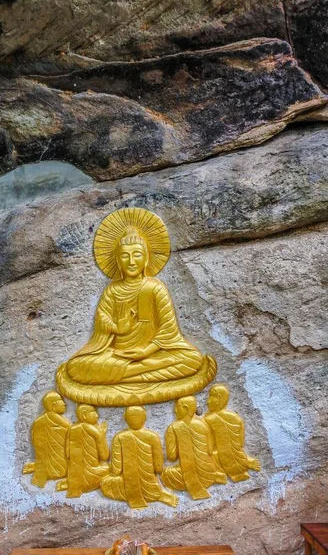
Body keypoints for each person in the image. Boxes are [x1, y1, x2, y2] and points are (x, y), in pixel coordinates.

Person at [57, 208, 216, 406]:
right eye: (125, 256)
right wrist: (116, 328)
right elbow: (102, 320)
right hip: (117, 354)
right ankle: (136, 373)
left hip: (151, 354)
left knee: (191, 360)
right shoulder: (112, 290)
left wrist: (146, 351)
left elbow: (168, 330)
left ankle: (125, 375)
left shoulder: (155, 288)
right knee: (77, 367)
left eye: (137, 255)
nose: (131, 262)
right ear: (117, 260)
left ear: (147, 257)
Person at [101, 406, 178, 508]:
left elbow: (116, 470)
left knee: (105, 484)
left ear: (125, 419)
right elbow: (159, 468)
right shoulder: (153, 437)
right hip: (151, 487)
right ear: (145, 418)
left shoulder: (120, 437)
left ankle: (146, 494)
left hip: (127, 486)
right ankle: (159, 495)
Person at [162, 396, 227, 499]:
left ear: (186, 409)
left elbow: (172, 457)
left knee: (167, 474)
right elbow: (210, 450)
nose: (175, 410)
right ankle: (214, 476)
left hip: (188, 475)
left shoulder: (173, 428)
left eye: (178, 407)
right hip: (209, 471)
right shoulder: (203, 425)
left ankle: (202, 479)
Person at [204, 385, 261, 482]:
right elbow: (241, 443)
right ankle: (244, 462)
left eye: (211, 397)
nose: (207, 401)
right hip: (239, 458)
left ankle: (222, 473)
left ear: (218, 399)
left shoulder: (209, 419)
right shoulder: (236, 418)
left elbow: (209, 448)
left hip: (220, 460)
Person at [22, 391, 70, 488]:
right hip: (60, 468)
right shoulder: (62, 424)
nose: (64, 403)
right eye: (61, 401)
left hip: (48, 463)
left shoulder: (39, 422)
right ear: (53, 406)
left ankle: (37, 466)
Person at [66, 404, 109, 497]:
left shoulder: (72, 429)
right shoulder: (94, 431)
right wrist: (103, 435)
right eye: (93, 412)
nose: (97, 415)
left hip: (74, 478)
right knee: (110, 469)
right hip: (90, 477)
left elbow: (67, 454)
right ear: (84, 415)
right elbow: (105, 456)